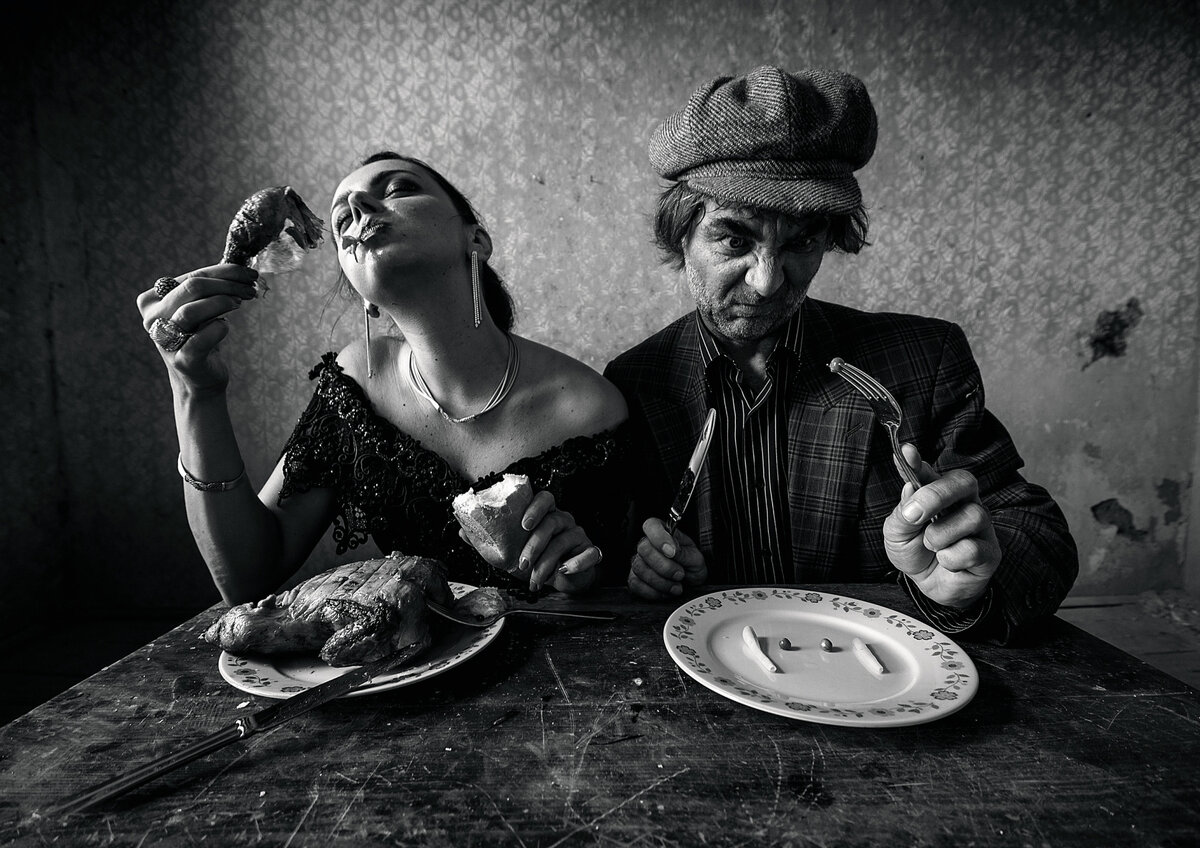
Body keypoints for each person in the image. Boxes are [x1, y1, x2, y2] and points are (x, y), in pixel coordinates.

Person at [604, 66, 1078, 641]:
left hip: (883, 673)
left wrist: (971, 581)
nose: (766, 281)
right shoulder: (631, 383)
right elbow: (606, 556)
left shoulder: (923, 360)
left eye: (802, 241)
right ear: (682, 233)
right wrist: (650, 572)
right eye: (733, 239)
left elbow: (1038, 533)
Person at [137, 152, 628, 605]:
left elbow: (631, 586)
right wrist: (195, 392)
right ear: (363, 296)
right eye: (341, 220)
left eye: (398, 189)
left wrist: (580, 574)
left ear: (475, 240)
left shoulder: (591, 409)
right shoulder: (356, 386)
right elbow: (247, 575)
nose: (356, 207)